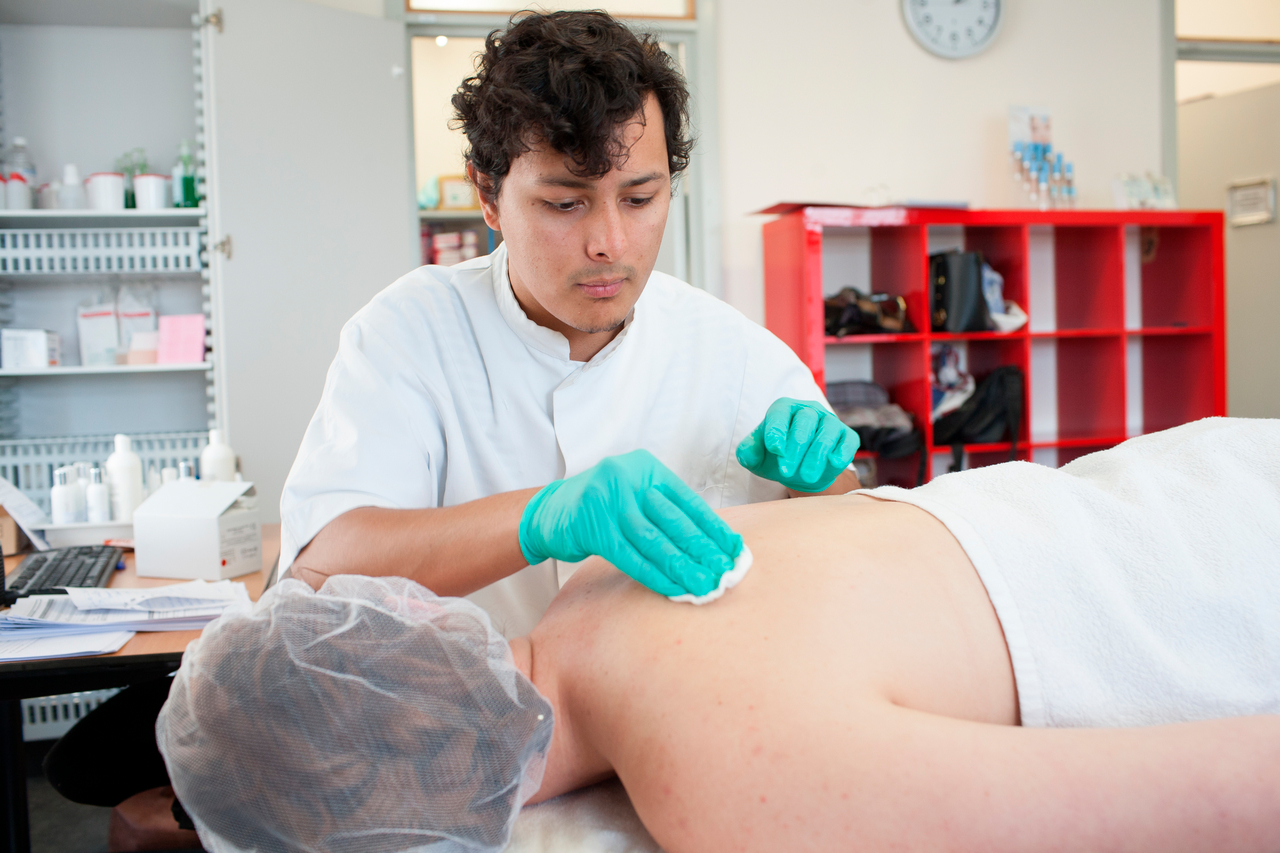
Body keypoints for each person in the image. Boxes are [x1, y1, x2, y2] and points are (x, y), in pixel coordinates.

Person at [159, 417, 1280, 853]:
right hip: (1195, 475)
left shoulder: (726, 783)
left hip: (1223, 580)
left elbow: (1224, 793)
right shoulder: (591, 580)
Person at [279, 9, 859, 639]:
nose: (610, 243)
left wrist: (826, 484)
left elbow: (851, 559)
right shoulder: (410, 333)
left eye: (640, 199)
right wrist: (539, 519)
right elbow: (322, 568)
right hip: (467, 727)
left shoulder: (731, 350)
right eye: (564, 203)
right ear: (488, 195)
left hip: (667, 725)